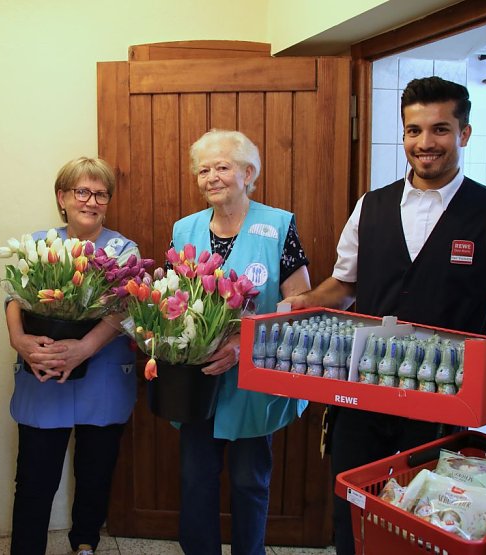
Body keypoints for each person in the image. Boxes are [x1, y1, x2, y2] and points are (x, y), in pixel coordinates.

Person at [285, 76, 486, 555]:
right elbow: (344, 284)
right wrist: (305, 302)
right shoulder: (371, 205)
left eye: (440, 129)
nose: (426, 142)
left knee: (428, 524)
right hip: (361, 394)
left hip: (443, 402)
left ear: (464, 133)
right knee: (353, 514)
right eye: (414, 130)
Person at [171, 129, 310, 555]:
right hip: (197, 380)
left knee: (250, 481)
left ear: (248, 174)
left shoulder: (278, 225)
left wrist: (242, 342)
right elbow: (169, 297)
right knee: (195, 480)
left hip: (255, 376)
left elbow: (299, 303)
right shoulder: (184, 230)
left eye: (222, 167)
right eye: (203, 170)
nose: (211, 177)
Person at [5, 157, 138, 555]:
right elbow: (15, 297)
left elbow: (124, 308)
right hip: (44, 373)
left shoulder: (123, 249)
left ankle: (84, 545)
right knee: (34, 479)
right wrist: (18, 340)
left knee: (95, 475)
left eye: (100, 194)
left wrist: (84, 348)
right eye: (82, 191)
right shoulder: (38, 244)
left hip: (103, 378)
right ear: (62, 197)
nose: (91, 201)